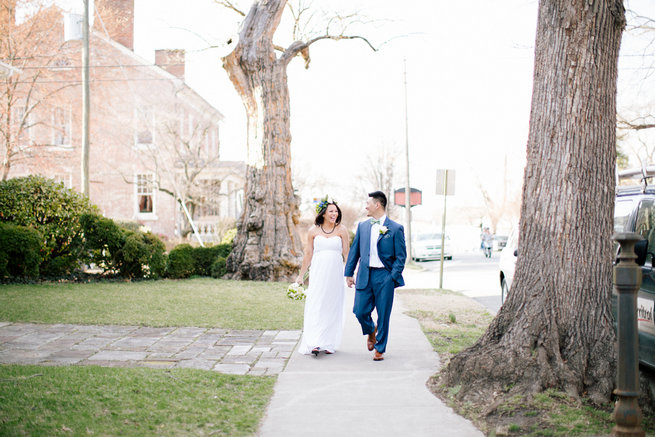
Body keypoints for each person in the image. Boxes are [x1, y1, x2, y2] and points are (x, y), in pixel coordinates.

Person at [344, 191, 406, 361]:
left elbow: (401, 257)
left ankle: (380, 348)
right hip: (365, 274)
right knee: (359, 311)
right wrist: (349, 273)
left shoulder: (395, 228)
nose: (366, 206)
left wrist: (392, 276)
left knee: (383, 314)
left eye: (368, 203)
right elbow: (355, 251)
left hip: (384, 276)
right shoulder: (363, 227)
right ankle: (371, 331)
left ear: (377, 205)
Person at [295, 196, 350, 356]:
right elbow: (308, 255)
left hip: (335, 273)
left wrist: (350, 274)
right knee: (316, 304)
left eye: (336, 211)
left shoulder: (342, 230)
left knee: (332, 305)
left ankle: (328, 342)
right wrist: (301, 276)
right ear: (324, 214)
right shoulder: (313, 231)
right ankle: (314, 342)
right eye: (331, 211)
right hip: (318, 273)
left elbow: (347, 253)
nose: (334, 214)